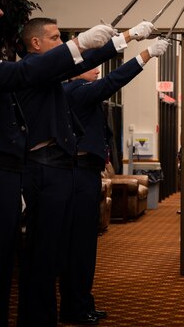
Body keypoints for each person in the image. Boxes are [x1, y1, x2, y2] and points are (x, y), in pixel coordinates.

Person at [0, 0, 115, 327]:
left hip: (4, 174)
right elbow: (23, 72)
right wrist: (80, 42)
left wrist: (117, 43)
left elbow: (40, 72)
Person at [16, 17, 155, 327]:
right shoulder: (33, 70)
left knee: (56, 251)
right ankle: (41, 317)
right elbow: (97, 71)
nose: (60, 44)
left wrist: (127, 38)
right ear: (36, 44)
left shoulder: (48, 72)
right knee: (45, 255)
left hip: (60, 169)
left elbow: (91, 59)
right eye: (54, 38)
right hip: (45, 169)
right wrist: (129, 41)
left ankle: (50, 315)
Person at [61, 38, 169, 325]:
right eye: (91, 66)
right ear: (74, 69)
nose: (97, 70)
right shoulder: (75, 90)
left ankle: (82, 303)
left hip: (86, 171)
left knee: (84, 245)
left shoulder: (79, 90)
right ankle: (76, 307)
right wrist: (144, 55)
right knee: (80, 247)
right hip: (79, 173)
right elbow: (114, 81)